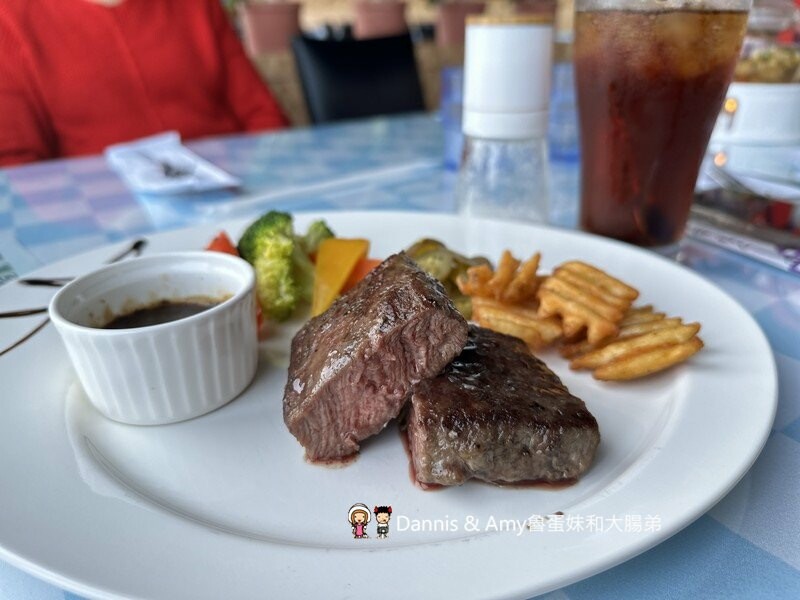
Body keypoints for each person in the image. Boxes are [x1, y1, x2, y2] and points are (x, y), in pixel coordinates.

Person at [0, 0, 288, 166]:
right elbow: (15, 165)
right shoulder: (11, 21)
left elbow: (263, 114)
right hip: (103, 223)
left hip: (233, 194)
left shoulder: (197, 4)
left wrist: (257, 174)